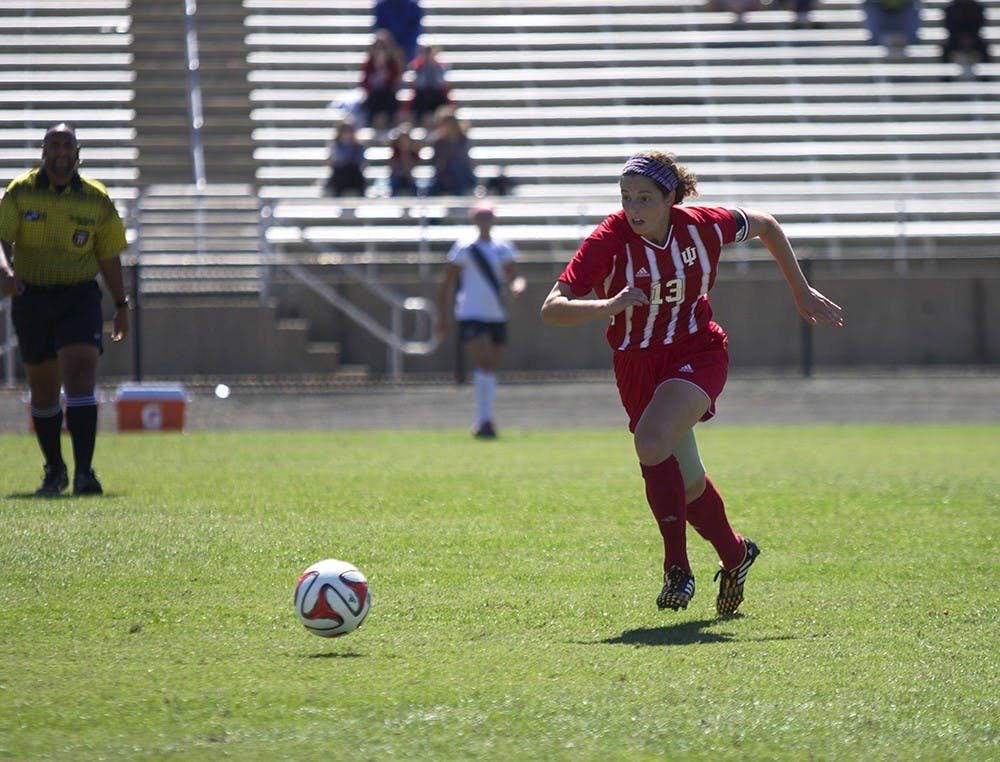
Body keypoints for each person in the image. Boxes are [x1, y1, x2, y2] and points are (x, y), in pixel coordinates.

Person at [540, 151, 844, 615]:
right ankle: (737, 555)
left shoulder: (703, 225)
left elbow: (766, 224)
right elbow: (552, 308)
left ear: (671, 198)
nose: (633, 208)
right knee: (687, 481)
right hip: (636, 364)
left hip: (697, 352)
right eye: (626, 198)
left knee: (651, 440)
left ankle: (677, 570)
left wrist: (800, 291)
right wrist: (608, 306)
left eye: (644, 197)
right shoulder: (610, 238)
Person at [0, 123, 130, 496]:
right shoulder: (20, 192)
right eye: (54, 144)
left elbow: (108, 255)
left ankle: (85, 472)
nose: (60, 151)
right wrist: (6, 272)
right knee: (43, 390)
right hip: (33, 297)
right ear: (43, 151)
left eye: (67, 145)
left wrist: (121, 304)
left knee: (80, 374)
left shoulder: (95, 198)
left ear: (77, 152)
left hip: (78, 297)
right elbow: (1, 237)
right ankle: (54, 469)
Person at [436, 204, 525, 438]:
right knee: (484, 362)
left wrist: (517, 287)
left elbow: (514, 276)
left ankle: (486, 416)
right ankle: (483, 420)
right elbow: (447, 281)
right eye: (481, 217)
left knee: (490, 368)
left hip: (496, 313)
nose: (485, 221)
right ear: (474, 219)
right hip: (471, 312)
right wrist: (442, 316)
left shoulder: (502, 245)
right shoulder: (465, 246)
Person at [360, 30, 405, 132]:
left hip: (388, 95)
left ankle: (391, 125)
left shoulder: (393, 63)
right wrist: (376, 69)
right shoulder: (369, 64)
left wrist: (384, 69)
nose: (380, 51)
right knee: (373, 98)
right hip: (373, 96)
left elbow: (394, 83)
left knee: (389, 97)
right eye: (377, 47)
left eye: (383, 47)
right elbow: (364, 84)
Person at [428, 107, 477, 197]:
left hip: (461, 173)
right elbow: (436, 161)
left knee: (457, 168)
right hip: (443, 174)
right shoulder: (439, 142)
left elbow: (462, 159)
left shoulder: (463, 139)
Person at [406, 45, 453, 128]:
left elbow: (441, 83)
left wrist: (433, 68)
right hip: (422, 97)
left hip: (436, 96)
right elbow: (419, 84)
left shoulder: (440, 67)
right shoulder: (417, 67)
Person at [940, 0, 990, 78]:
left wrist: (970, 38)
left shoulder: (977, 7)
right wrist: (960, 38)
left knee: (985, 49)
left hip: (974, 38)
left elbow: (979, 24)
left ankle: (986, 78)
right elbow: (949, 26)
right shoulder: (950, 8)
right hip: (955, 39)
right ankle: (945, 78)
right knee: (945, 50)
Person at [324, 119, 368, 197]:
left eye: (349, 131)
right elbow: (337, 160)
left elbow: (361, 161)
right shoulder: (335, 145)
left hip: (354, 174)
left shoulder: (358, 146)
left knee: (357, 175)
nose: (347, 134)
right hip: (340, 174)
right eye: (344, 131)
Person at [373, 0, 424, 65]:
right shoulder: (381, 6)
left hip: (407, 49)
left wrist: (402, 48)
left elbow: (415, 30)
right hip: (388, 48)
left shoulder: (414, 7)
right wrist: (392, 46)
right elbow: (380, 29)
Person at [388, 124, 421, 197]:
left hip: (409, 176)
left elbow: (410, 168)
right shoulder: (395, 151)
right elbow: (393, 167)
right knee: (394, 182)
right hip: (397, 176)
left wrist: (406, 153)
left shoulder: (413, 151)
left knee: (414, 185)